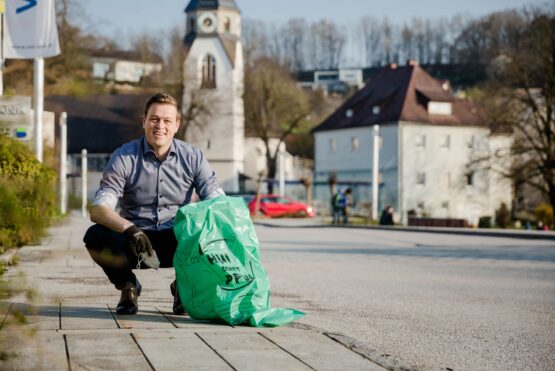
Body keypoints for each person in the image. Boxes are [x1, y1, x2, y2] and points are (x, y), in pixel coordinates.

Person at [83, 93, 225, 315]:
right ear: (144, 121)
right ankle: (129, 287)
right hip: (135, 241)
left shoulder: (193, 157)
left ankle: (184, 288)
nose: (160, 126)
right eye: (154, 119)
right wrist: (129, 229)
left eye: (167, 120)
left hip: (177, 241)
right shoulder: (124, 157)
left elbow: (217, 201)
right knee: (94, 235)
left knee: (213, 232)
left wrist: (232, 225)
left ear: (176, 125)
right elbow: (98, 209)